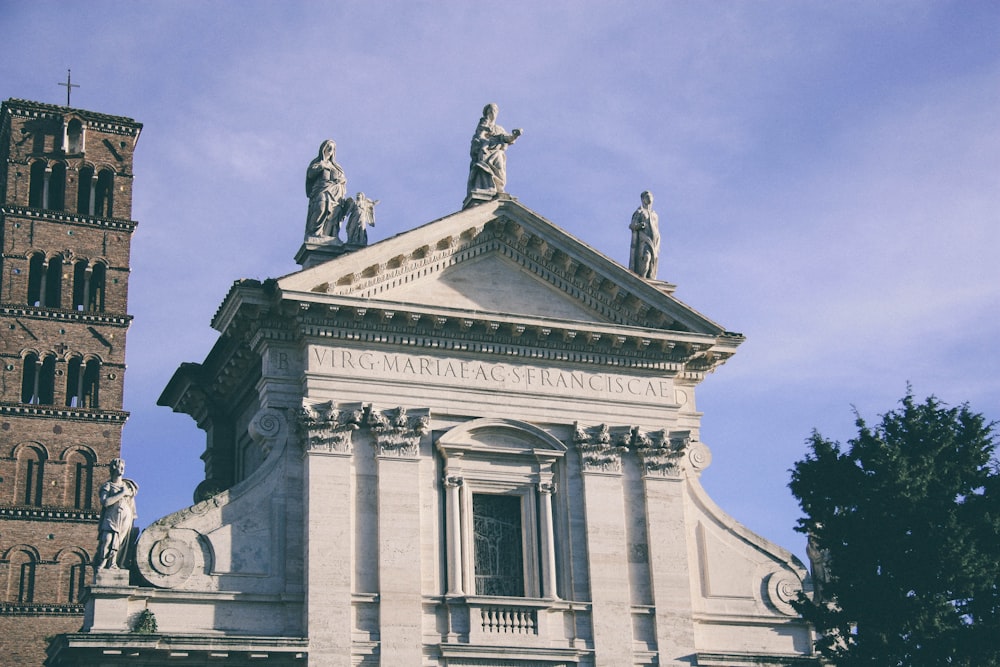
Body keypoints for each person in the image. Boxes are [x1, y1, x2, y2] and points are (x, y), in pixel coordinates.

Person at [467, 103, 522, 199]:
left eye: (494, 111)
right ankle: (485, 187)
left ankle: (498, 187)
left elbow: (506, 138)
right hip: (484, 151)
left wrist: (515, 135)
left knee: (499, 159)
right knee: (483, 166)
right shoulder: (482, 124)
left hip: (496, 151)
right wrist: (485, 129)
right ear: (486, 113)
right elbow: (478, 138)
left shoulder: (499, 128)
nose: (492, 113)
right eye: (490, 111)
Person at [95, 457, 138, 570]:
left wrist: (132, 517)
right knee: (107, 539)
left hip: (125, 517)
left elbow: (131, 504)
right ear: (114, 468)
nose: (122, 470)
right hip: (111, 516)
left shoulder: (128, 486)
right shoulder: (108, 486)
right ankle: (102, 563)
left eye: (123, 468)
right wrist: (122, 493)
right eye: (120, 467)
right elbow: (106, 502)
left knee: (119, 541)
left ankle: (113, 563)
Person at [304, 139, 348, 239]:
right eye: (328, 147)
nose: (330, 149)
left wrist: (341, 180)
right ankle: (315, 233)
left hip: (336, 193)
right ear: (323, 148)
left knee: (334, 213)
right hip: (322, 190)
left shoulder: (336, 166)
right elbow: (310, 174)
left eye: (332, 148)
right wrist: (321, 166)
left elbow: (343, 178)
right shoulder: (318, 162)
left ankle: (329, 234)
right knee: (321, 208)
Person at [629, 190, 660, 279]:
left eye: (650, 196)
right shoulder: (639, 212)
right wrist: (638, 226)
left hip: (654, 242)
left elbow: (656, 229)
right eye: (647, 196)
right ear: (643, 199)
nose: (649, 198)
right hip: (644, 240)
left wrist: (658, 241)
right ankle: (642, 279)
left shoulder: (655, 215)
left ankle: (650, 278)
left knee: (652, 262)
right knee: (646, 258)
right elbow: (632, 225)